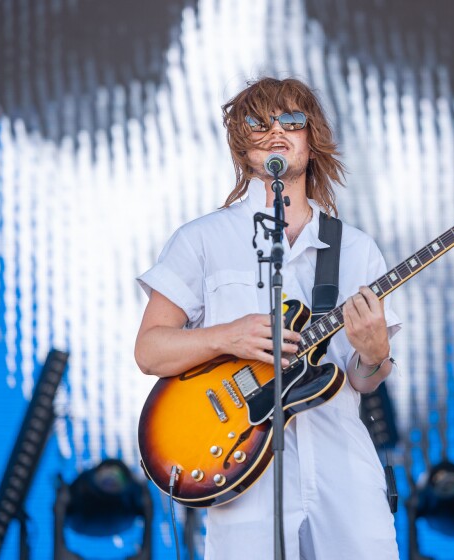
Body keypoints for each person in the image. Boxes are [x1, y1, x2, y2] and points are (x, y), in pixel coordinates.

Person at [135, 77, 401, 559]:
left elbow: (364, 381)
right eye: (259, 122)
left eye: (292, 120)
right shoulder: (202, 239)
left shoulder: (357, 249)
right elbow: (150, 350)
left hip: (343, 466)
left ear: (311, 137)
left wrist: (374, 354)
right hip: (242, 465)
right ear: (242, 142)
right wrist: (227, 336)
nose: (276, 131)